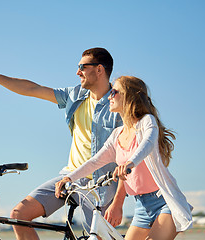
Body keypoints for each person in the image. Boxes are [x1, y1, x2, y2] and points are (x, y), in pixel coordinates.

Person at [0, 47, 123, 240]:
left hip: (99, 186)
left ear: (99, 70)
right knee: (19, 215)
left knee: (97, 237)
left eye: (82, 67)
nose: (77, 72)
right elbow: (31, 88)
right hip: (68, 178)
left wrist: (118, 203)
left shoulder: (119, 104)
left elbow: (127, 160)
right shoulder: (75, 96)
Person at [55, 76, 193, 240]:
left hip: (164, 202)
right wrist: (69, 177)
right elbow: (95, 161)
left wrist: (130, 163)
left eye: (114, 92)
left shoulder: (146, 122)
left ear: (130, 96)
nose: (109, 96)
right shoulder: (116, 135)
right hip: (141, 206)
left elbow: (147, 144)